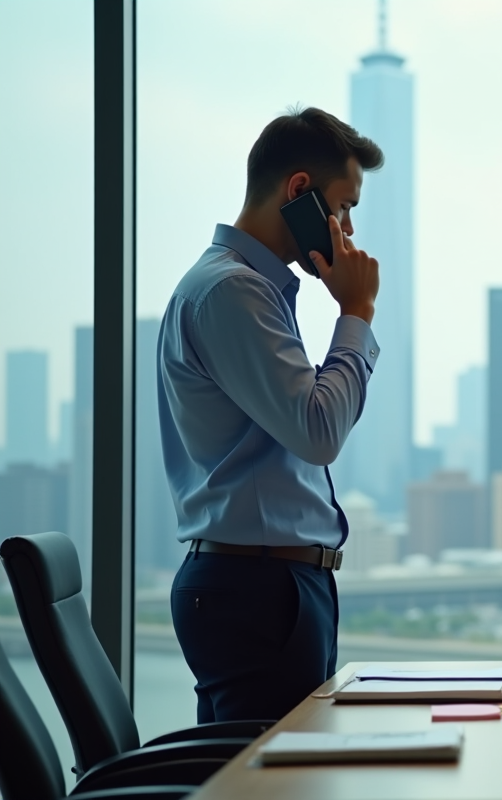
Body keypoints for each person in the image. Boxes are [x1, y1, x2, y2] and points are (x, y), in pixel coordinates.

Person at [158, 107, 384, 722]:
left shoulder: (252, 289)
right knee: (270, 784)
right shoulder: (232, 291)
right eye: (343, 206)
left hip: (272, 583)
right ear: (300, 192)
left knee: (286, 775)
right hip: (256, 589)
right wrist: (356, 314)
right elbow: (317, 432)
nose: (348, 229)